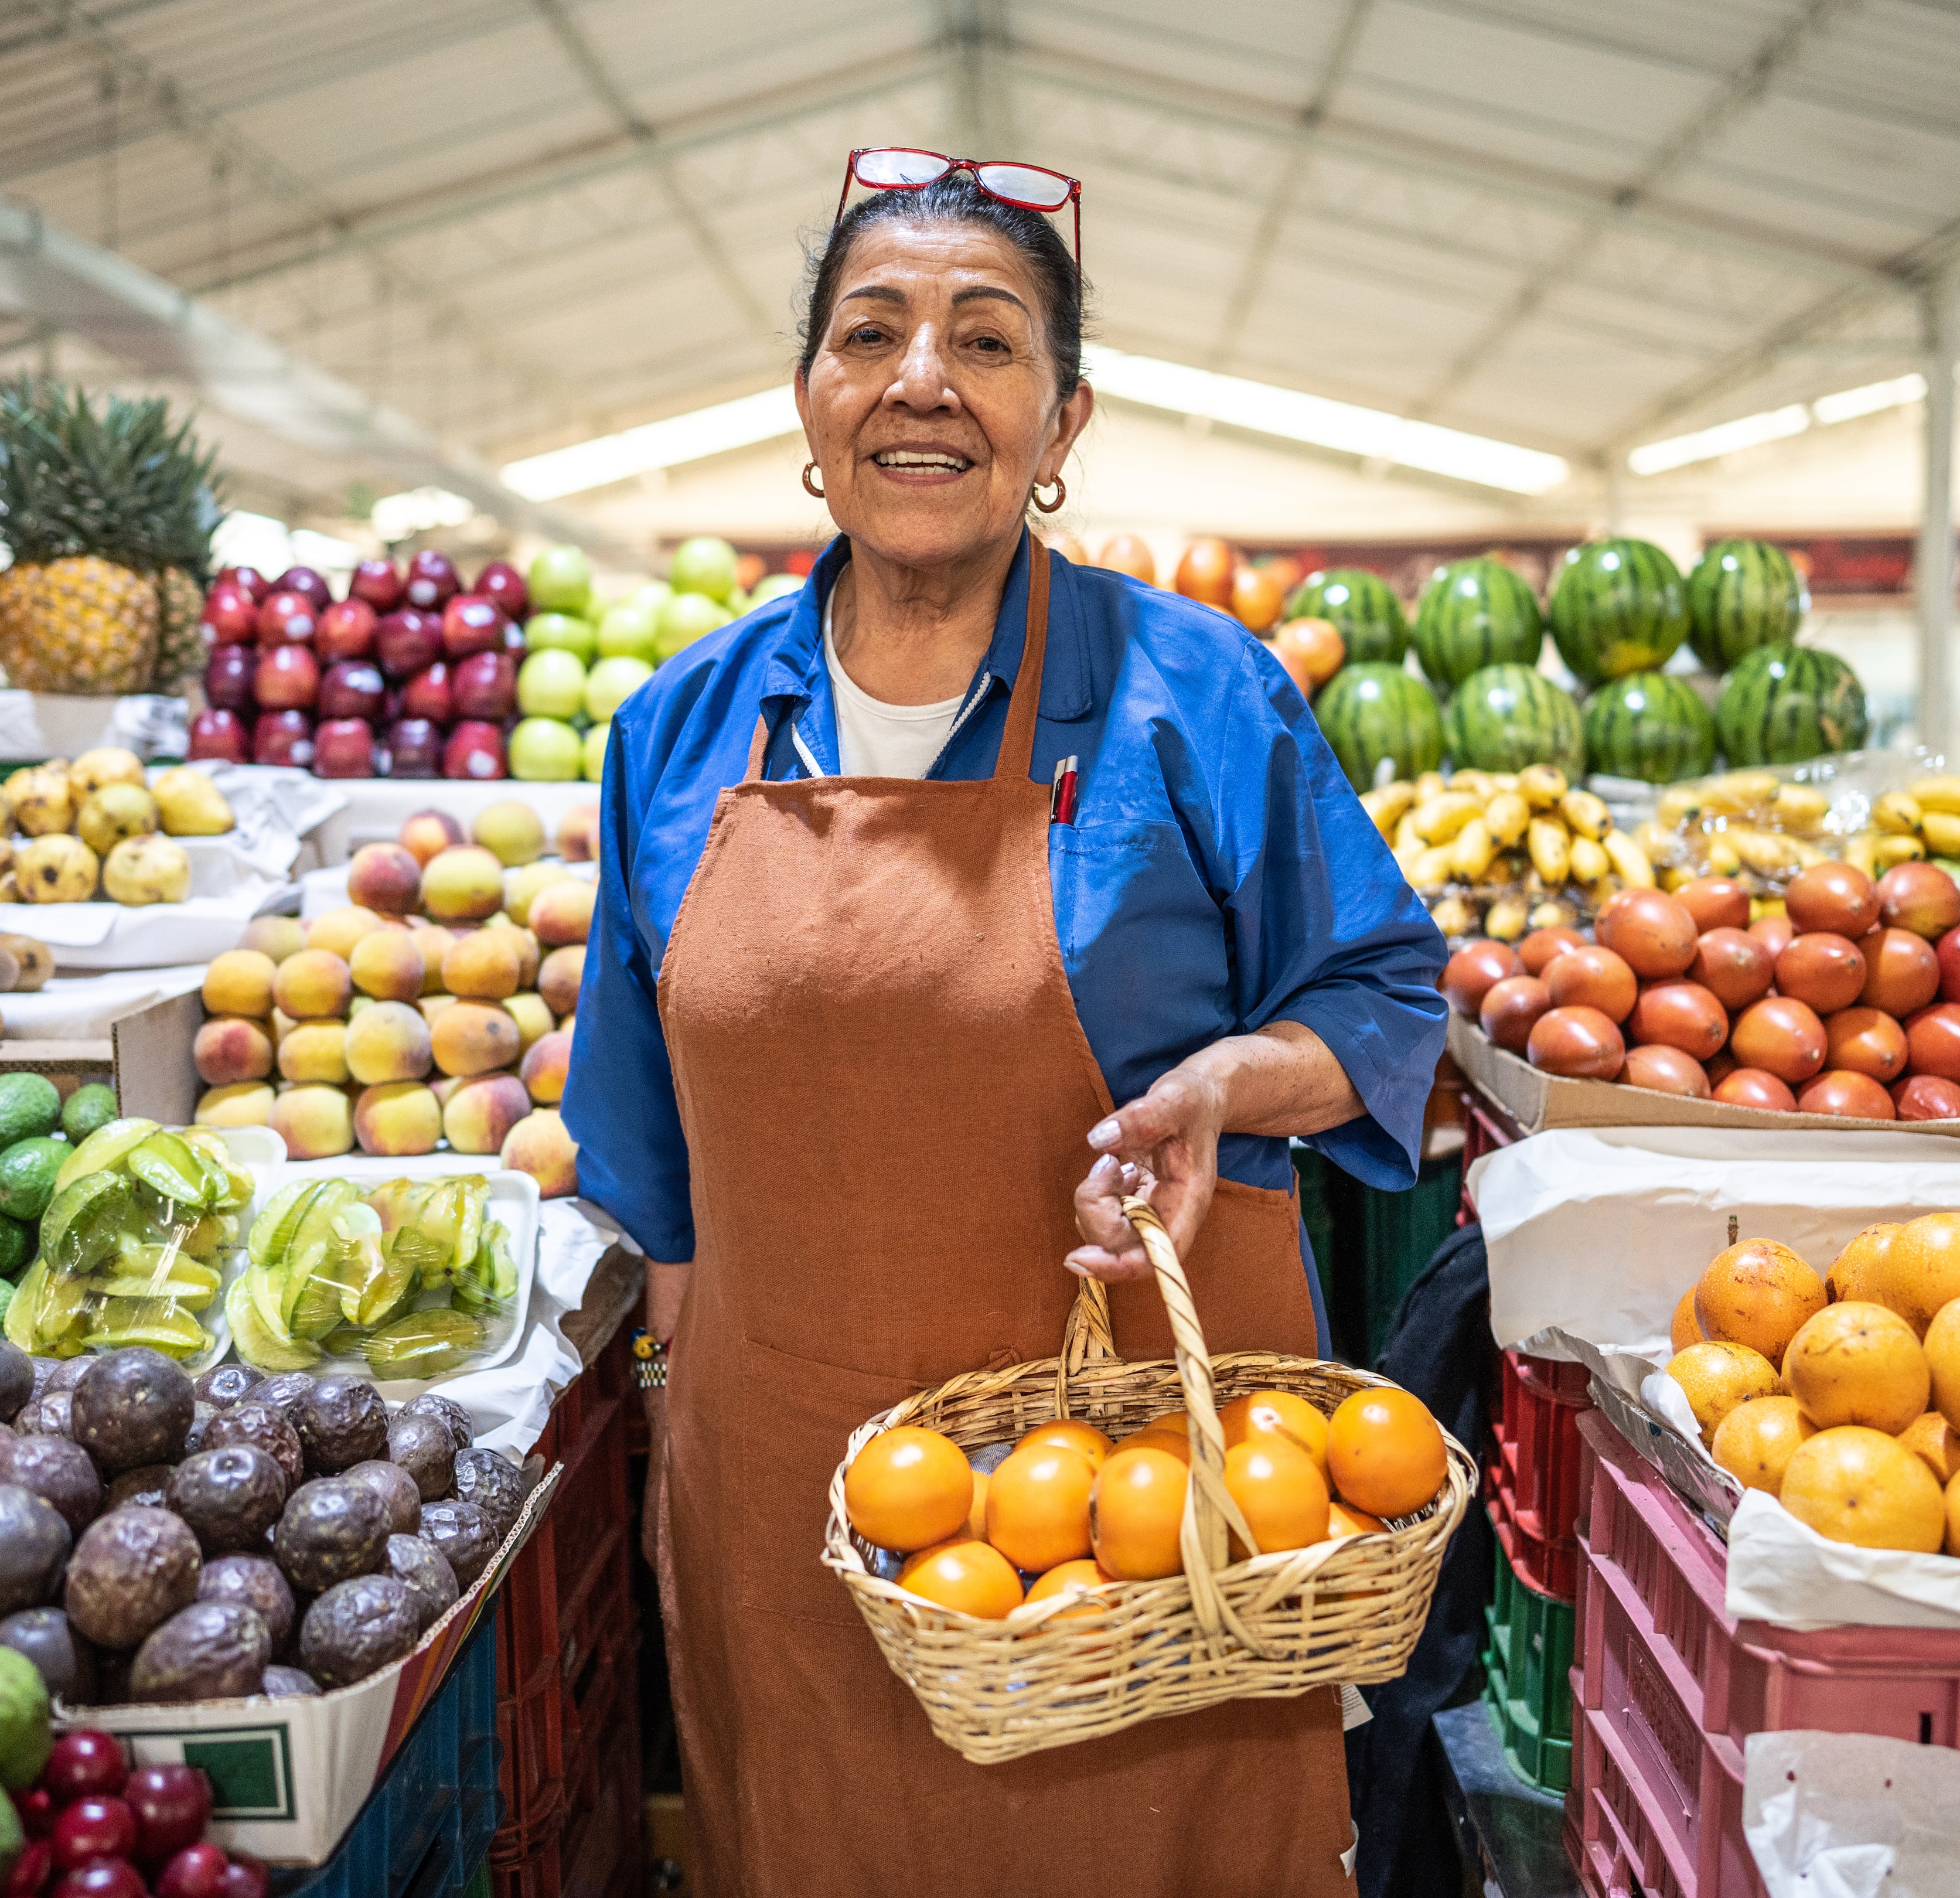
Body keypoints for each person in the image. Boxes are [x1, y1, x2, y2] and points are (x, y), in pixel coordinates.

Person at [568, 146, 1448, 1896]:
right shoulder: (676, 733)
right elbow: (654, 1177)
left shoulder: (1199, 694)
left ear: (1061, 424)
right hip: (794, 1506)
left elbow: (1382, 990)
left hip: (1136, 1515)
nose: (921, 380)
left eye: (985, 341)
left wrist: (1229, 1078)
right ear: (809, 402)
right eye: (870, 332)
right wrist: (687, 1479)